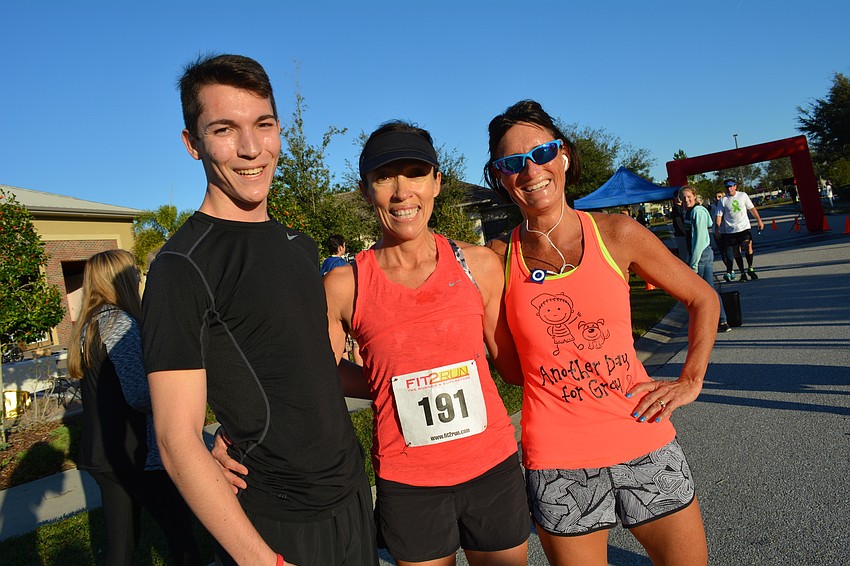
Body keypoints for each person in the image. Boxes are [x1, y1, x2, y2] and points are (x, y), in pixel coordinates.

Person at [216, 121, 531, 565]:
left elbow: (515, 368)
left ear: (437, 183)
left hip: (492, 470)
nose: (402, 192)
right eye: (385, 177)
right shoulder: (344, 284)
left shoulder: (478, 266)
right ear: (367, 191)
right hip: (410, 484)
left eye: (416, 173)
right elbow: (312, 377)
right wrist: (233, 431)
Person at [141, 54, 376, 566]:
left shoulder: (299, 245)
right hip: (277, 524)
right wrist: (259, 560)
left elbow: (312, 368)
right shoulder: (181, 267)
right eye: (224, 129)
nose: (251, 149)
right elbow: (175, 439)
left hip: (353, 494)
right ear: (192, 143)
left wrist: (395, 379)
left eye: (263, 125)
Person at [482, 100, 717, 565]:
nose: (531, 171)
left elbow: (702, 297)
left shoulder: (616, 233)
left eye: (542, 152)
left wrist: (691, 378)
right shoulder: (496, 259)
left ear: (564, 155)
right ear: (501, 178)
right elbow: (512, 372)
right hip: (558, 462)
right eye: (512, 163)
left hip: (643, 439)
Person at [67, 249, 202, 566]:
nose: (140, 279)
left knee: (121, 547)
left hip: (103, 456)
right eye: (135, 273)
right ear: (123, 280)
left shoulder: (88, 325)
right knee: (180, 533)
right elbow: (139, 395)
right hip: (135, 456)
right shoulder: (117, 323)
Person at [680, 186, 731, 333]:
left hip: (701, 254)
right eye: (683, 197)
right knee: (708, 290)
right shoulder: (689, 212)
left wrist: (694, 263)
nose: (686, 199)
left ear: (695, 196)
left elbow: (699, 240)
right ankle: (721, 321)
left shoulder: (698, 212)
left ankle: (715, 321)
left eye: (689, 196)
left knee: (701, 292)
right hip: (698, 254)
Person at [716, 179, 764, 282]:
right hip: (731, 230)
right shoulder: (723, 200)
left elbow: (752, 208)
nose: (729, 189)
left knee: (748, 245)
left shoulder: (743, 195)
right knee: (736, 251)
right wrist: (717, 228)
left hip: (744, 227)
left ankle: (750, 268)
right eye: (727, 187)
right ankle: (742, 272)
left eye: (731, 186)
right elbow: (719, 215)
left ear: (735, 186)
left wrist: (759, 220)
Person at [671, 190, 689, 260]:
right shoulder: (676, 208)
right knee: (684, 255)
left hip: (685, 233)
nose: (680, 198)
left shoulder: (683, 207)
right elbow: (679, 222)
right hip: (680, 234)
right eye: (678, 196)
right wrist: (685, 232)